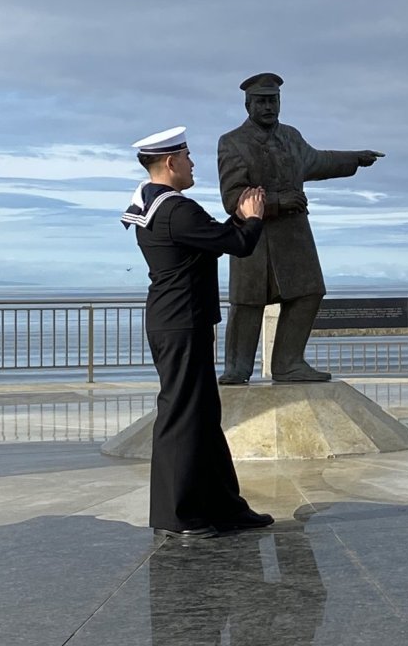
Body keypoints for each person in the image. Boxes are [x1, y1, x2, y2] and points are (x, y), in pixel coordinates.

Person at [122, 125, 273, 538]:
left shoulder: (158, 206)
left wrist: (236, 219)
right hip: (181, 323)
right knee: (183, 417)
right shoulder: (176, 209)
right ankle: (179, 516)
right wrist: (254, 219)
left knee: (203, 417)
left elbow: (213, 238)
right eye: (188, 158)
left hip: (178, 320)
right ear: (170, 162)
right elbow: (237, 245)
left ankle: (224, 507)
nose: (193, 165)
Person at [216, 72, 384, 384]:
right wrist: (279, 201)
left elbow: (318, 161)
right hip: (253, 239)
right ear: (247, 105)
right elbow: (232, 197)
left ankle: (288, 363)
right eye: (262, 101)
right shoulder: (232, 143)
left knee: (309, 293)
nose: (269, 107)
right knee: (247, 304)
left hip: (293, 239)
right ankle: (237, 368)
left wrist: (355, 159)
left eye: (274, 100)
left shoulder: (291, 137)